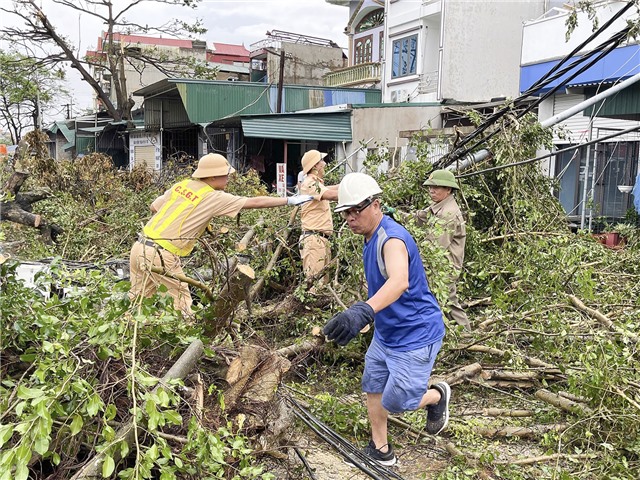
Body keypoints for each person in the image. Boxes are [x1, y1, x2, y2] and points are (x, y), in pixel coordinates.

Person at [322, 172, 450, 467]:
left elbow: (399, 281)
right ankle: (381, 450)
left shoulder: (391, 238)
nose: (351, 218)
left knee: (398, 402)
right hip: (387, 332)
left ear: (376, 205)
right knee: (373, 386)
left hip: (415, 335)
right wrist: (370, 317)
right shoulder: (370, 236)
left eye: (357, 210)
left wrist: (363, 310)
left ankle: (436, 395)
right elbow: (379, 285)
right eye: (346, 213)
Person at [129, 153, 313, 316]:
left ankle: (128, 347)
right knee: (181, 308)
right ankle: (187, 352)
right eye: (225, 175)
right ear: (211, 176)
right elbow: (253, 202)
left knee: (137, 305)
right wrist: (289, 200)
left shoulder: (181, 185)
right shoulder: (212, 197)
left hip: (139, 248)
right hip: (162, 255)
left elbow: (154, 207)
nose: (228, 178)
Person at [417, 169, 471, 331]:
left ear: (448, 190)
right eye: (430, 187)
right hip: (439, 266)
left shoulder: (448, 214)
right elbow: (419, 218)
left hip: (445, 269)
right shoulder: (439, 206)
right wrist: (394, 214)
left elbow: (433, 247)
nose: (431, 191)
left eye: (437, 187)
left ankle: (467, 338)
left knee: (448, 302)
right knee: (442, 302)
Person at [298, 150, 339, 283]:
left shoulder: (317, 184)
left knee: (323, 286)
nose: (325, 163)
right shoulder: (310, 183)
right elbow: (332, 194)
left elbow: (331, 189)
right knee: (314, 285)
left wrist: (351, 184)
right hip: (314, 240)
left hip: (320, 240)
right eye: (322, 161)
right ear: (315, 165)